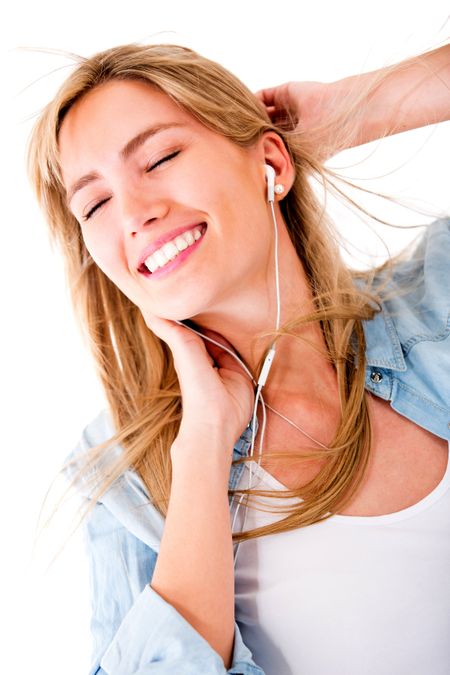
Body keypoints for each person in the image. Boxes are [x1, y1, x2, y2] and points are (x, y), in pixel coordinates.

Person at [27, 43, 450, 674]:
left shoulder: (434, 298)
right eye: (94, 204)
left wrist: (362, 109)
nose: (136, 213)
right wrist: (200, 446)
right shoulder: (126, 484)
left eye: (161, 157)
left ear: (269, 161)